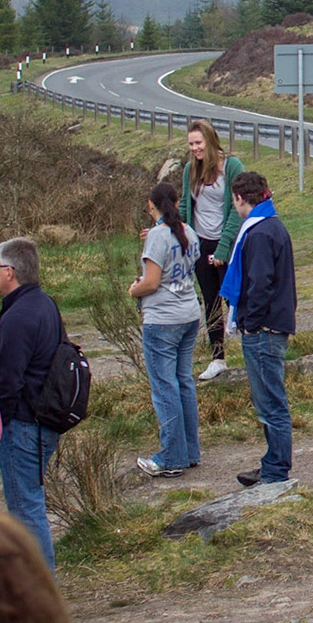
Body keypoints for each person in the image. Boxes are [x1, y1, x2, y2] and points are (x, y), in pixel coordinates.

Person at [0, 238, 64, 568]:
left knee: (24, 509)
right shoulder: (43, 302)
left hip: (23, 425)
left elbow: (7, 381)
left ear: (10, 271)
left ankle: (39, 594)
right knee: (28, 506)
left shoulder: (18, 316)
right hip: (41, 420)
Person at [224, 172, 296, 487]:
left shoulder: (259, 232)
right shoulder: (272, 226)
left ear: (240, 198)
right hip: (272, 324)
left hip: (263, 329)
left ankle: (276, 470)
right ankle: (272, 463)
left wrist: (249, 325)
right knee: (269, 399)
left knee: (270, 402)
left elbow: (260, 285)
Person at [130, 182, 201, 478]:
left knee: (164, 386)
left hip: (162, 319)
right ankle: (189, 450)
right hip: (189, 312)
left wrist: (134, 289)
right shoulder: (189, 232)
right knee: (183, 381)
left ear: (151, 206)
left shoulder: (158, 236)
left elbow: (151, 282)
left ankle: (171, 456)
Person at [175, 121, 243, 381]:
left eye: (198, 143)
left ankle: (251, 348)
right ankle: (218, 358)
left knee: (234, 298)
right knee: (211, 300)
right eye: (191, 144)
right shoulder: (191, 170)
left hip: (228, 242)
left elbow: (237, 210)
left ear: (210, 141)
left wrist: (224, 247)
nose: (194, 148)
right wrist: (169, 230)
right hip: (201, 243)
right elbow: (184, 206)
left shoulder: (232, 167)